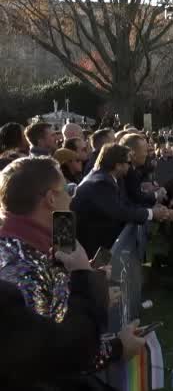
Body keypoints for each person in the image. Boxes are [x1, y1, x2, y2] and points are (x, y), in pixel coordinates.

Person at [0, 157, 146, 388]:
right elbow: (53, 356)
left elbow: (59, 296)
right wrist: (118, 348)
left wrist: (87, 279)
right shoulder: (20, 269)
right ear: (50, 198)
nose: (72, 198)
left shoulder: (47, 236)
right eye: (67, 190)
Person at [71, 143, 171, 256]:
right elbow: (120, 211)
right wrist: (152, 213)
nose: (130, 166)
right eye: (128, 163)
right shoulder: (101, 182)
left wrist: (150, 209)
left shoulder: (107, 177)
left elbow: (124, 204)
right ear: (118, 165)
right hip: (92, 248)